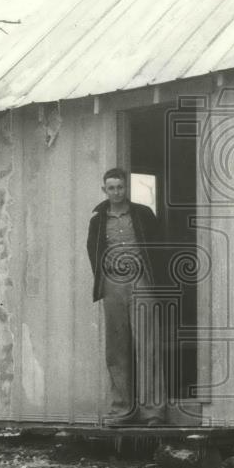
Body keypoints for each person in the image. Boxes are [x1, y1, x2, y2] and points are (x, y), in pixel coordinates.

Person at [86, 167, 167, 425]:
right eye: (111, 188)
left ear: (126, 188)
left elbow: (159, 247)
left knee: (148, 346)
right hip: (113, 285)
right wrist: (107, 276)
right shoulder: (97, 221)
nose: (116, 192)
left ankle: (153, 412)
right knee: (116, 349)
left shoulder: (143, 214)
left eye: (120, 187)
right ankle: (121, 409)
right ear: (104, 190)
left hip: (141, 281)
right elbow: (93, 252)